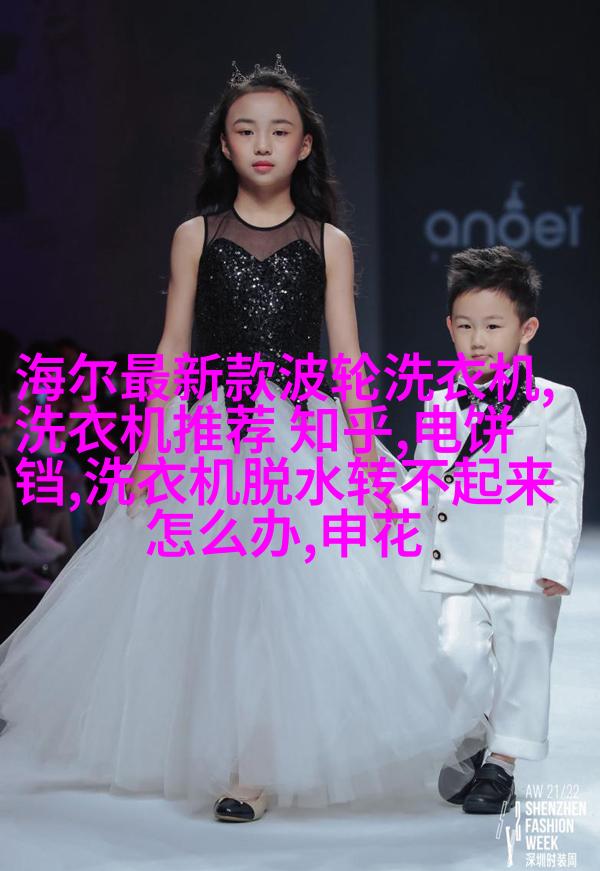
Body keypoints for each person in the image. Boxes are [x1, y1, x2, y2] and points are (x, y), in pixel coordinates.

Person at [0, 55, 473, 823]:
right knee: (213, 600)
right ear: (224, 144)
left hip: (300, 433)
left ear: (305, 146)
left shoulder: (328, 240)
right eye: (245, 130)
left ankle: (256, 764)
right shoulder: (196, 234)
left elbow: (346, 355)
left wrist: (365, 454)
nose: (262, 143)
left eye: (279, 131)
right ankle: (239, 761)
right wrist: (151, 447)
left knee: (289, 599)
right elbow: (173, 346)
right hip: (211, 434)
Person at [391, 246, 586, 814]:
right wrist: (392, 505)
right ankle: (476, 734)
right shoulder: (440, 402)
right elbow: (429, 475)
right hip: (456, 557)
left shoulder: (555, 402)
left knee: (525, 658)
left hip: (525, 563)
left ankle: (502, 765)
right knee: (454, 653)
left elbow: (566, 487)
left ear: (527, 329)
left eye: (493, 326)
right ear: (449, 327)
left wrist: (557, 561)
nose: (478, 340)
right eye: (465, 326)